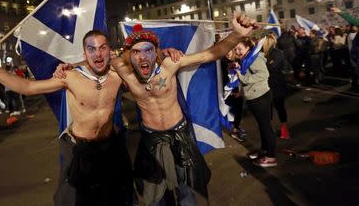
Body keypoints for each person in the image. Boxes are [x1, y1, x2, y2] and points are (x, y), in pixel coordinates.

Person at [108, 13, 258, 205]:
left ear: (157, 53)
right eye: (136, 52)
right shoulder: (122, 69)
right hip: (151, 138)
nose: (143, 56)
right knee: (155, 193)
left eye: (148, 50)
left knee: (186, 189)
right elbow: (92, 63)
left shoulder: (169, 65)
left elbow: (212, 53)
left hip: (180, 134)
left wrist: (237, 35)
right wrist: (67, 67)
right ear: (129, 55)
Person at [0, 30, 136, 206]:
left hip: (109, 146)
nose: (97, 53)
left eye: (102, 48)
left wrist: (166, 53)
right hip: (80, 149)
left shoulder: (118, 74)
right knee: (75, 200)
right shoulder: (71, 77)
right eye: (92, 49)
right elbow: (28, 87)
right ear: (85, 53)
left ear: (109, 50)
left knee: (116, 197)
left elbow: (145, 61)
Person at [234, 38, 276, 167]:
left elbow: (264, 74)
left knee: (266, 126)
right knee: (262, 125)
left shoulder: (254, 58)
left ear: (247, 47)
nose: (237, 52)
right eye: (235, 49)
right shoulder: (247, 58)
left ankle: (270, 157)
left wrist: (242, 77)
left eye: (240, 49)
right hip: (256, 95)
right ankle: (265, 150)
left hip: (260, 96)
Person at [262, 33, 290, 139]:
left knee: (279, 107)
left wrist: (266, 65)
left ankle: (284, 129)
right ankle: (271, 130)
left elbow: (273, 67)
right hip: (268, 84)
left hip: (276, 84)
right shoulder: (262, 54)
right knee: (269, 108)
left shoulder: (277, 53)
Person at [221, 49, 246, 142]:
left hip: (237, 90)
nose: (228, 53)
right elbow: (222, 78)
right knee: (233, 109)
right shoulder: (222, 63)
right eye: (226, 52)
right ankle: (235, 130)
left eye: (229, 51)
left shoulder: (238, 60)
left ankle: (236, 128)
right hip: (227, 91)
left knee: (238, 109)